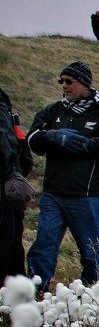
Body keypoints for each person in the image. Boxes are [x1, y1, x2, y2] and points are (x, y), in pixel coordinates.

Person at [25, 62, 99, 292]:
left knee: (90, 253)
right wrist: (52, 136)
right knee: (43, 246)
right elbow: (31, 140)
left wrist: (91, 146)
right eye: (61, 81)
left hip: (88, 196)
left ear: (84, 83)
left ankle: (93, 297)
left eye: (68, 81)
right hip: (53, 194)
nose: (64, 86)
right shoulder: (53, 111)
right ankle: (35, 294)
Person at [0, 87, 35, 280]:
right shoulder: (4, 102)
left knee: (7, 240)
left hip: (5, 182)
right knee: (11, 240)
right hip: (10, 182)